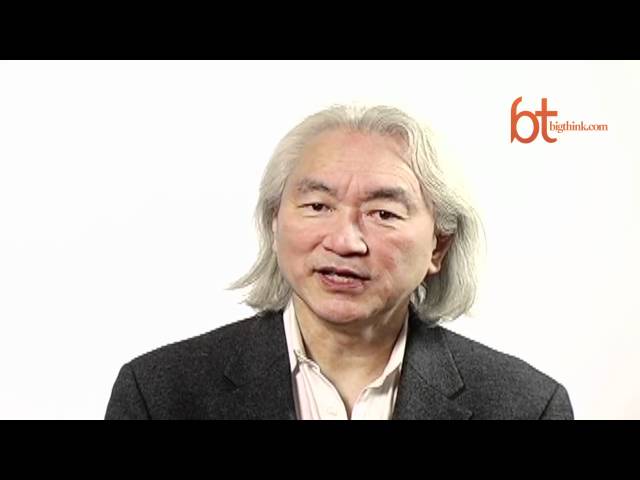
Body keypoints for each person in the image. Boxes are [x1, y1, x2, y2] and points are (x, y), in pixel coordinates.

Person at [105, 104, 573, 420]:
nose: (346, 241)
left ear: (438, 247)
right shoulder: (158, 395)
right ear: (274, 223)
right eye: (318, 206)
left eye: (383, 213)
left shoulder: (527, 407)